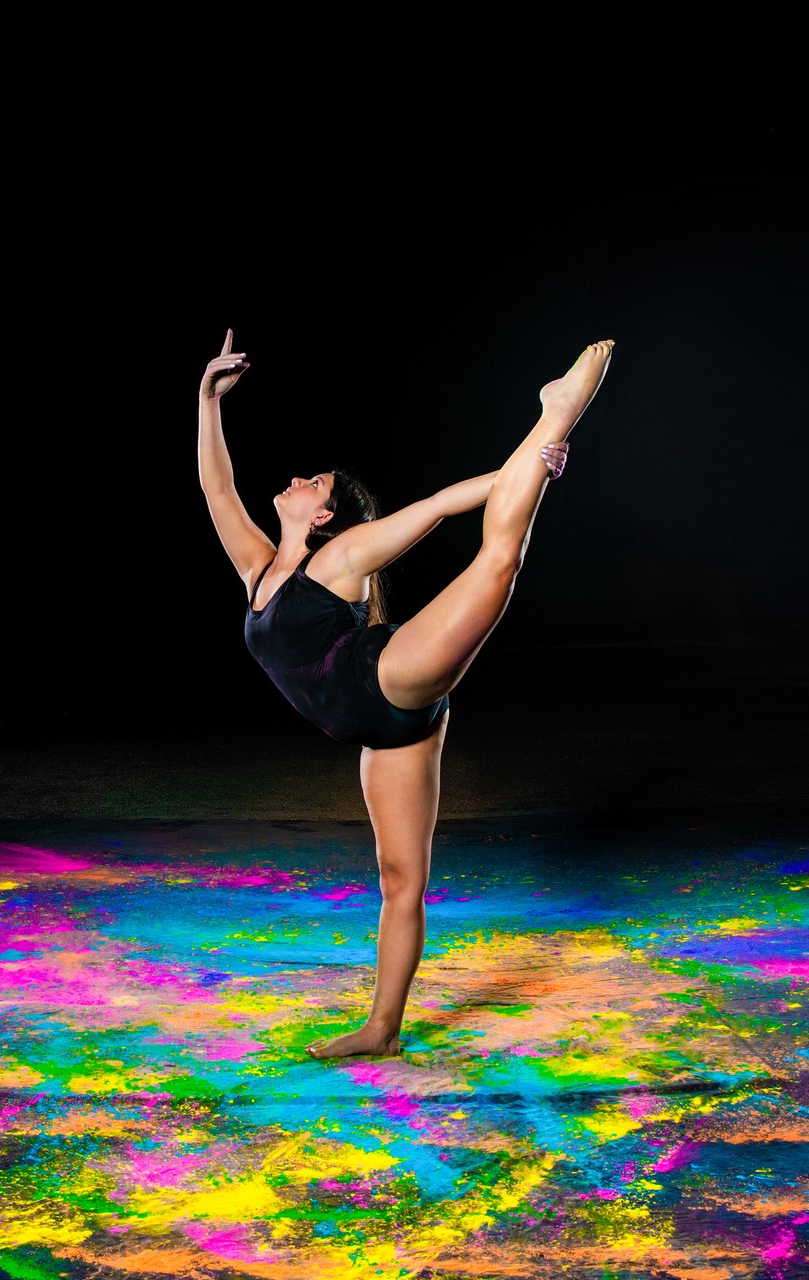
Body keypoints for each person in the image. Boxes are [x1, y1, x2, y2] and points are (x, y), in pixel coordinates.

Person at [198, 330, 615, 1059]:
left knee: (496, 562)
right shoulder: (257, 567)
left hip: (384, 676)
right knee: (400, 882)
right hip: (383, 734)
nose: (298, 479)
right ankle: (381, 1031)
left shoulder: (341, 557)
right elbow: (217, 488)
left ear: (323, 517)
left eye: (314, 483)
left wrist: (525, 465)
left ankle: (554, 413)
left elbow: (437, 505)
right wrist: (208, 400)